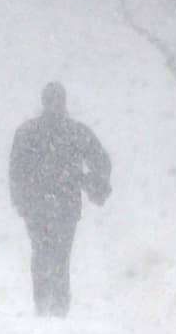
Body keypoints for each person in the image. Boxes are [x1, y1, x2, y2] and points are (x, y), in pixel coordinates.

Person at [8, 82, 111, 317]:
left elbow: (15, 170)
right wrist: (93, 183)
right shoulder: (76, 132)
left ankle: (43, 303)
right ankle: (58, 306)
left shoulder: (27, 132)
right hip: (64, 205)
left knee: (42, 252)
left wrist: (20, 199)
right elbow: (101, 161)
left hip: (37, 205)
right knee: (61, 253)